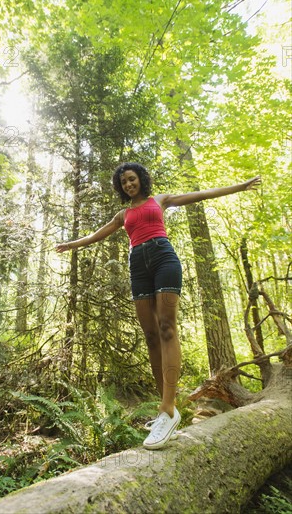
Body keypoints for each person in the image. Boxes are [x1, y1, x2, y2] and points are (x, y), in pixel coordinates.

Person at [56, 162, 261, 449]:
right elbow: (95, 235)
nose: (129, 184)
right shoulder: (123, 214)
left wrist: (239, 186)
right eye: (124, 182)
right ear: (121, 187)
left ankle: (168, 407)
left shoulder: (159, 201)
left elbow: (200, 195)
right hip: (137, 266)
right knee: (151, 335)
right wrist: (71, 245)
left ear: (141, 179)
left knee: (166, 328)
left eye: (132, 179)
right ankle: (166, 410)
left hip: (163, 258)